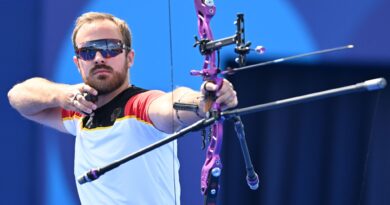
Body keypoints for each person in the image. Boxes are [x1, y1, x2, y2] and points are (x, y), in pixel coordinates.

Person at [7, 12, 237, 204]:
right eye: (88, 51)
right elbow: (18, 97)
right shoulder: (80, 111)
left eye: (110, 48)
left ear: (129, 57)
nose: (99, 58)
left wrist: (205, 101)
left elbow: (170, 106)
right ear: (78, 63)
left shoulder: (141, 106)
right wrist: (61, 95)